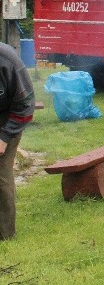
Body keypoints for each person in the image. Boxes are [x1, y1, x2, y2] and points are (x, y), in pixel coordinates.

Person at [0, 42, 36, 241]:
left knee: (1, 175)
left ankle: (5, 234)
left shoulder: (7, 59)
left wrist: (4, 137)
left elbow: (25, 105)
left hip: (8, 118)